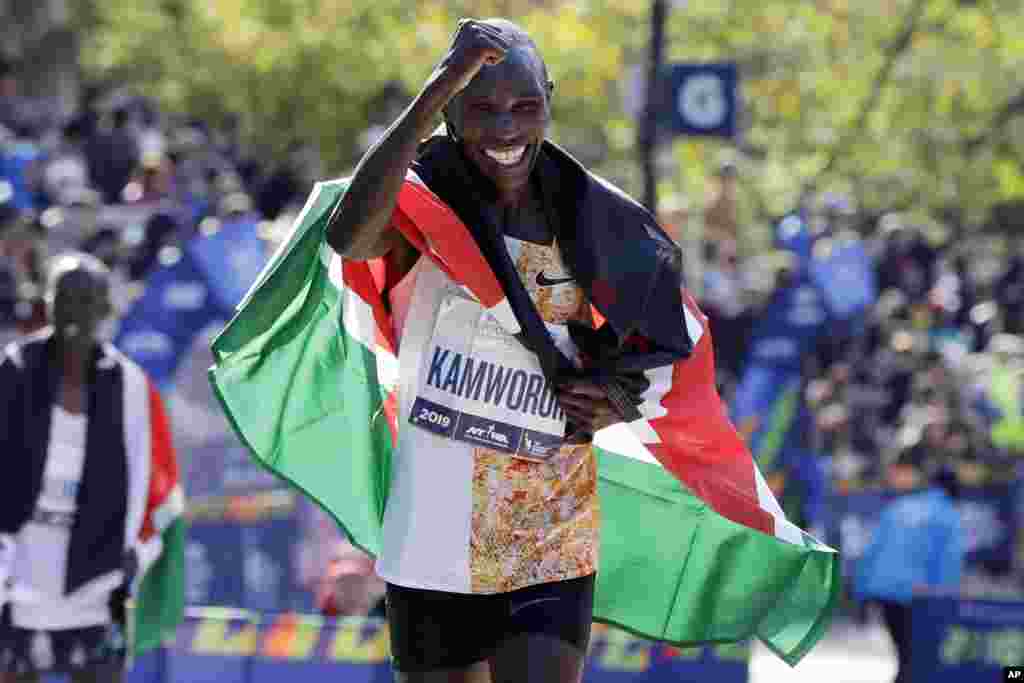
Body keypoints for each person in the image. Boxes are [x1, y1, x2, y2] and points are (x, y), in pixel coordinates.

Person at [327, 19, 625, 682]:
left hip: (549, 528)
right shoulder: (422, 206)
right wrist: (435, 90)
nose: (506, 129)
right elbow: (348, 237)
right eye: (481, 107)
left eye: (526, 106)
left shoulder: (586, 214)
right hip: (432, 529)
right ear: (452, 112)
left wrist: (616, 398)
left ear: (550, 98)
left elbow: (651, 347)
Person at [0, 252, 178, 682]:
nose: (75, 313)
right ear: (48, 302)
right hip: (17, 572)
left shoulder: (130, 385)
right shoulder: (14, 369)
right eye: (65, 299)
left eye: (87, 301)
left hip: (99, 577)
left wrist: (138, 548)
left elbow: (150, 475)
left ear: (104, 310)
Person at [853, 459, 965, 683]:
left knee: (905, 656)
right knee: (915, 659)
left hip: (883, 591)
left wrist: (861, 594)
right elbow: (949, 563)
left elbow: (872, 551)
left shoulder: (898, 507)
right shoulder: (949, 515)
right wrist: (949, 598)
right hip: (918, 596)